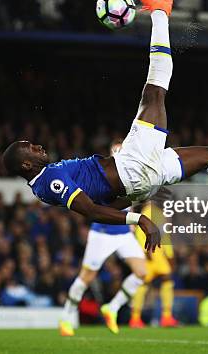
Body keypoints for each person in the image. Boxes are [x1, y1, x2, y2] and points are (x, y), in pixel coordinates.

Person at [1, 0, 208, 266]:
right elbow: (90, 211)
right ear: (26, 165)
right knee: (154, 92)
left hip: (137, 179)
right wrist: (140, 219)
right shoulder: (48, 181)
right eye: (31, 149)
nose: (38, 147)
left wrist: (134, 198)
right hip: (133, 167)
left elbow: (102, 204)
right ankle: (160, 11)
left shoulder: (46, 184)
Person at [59, 140, 147, 337]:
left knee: (142, 272)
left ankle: (112, 308)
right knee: (86, 278)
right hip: (103, 234)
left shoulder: (132, 174)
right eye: (116, 151)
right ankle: (66, 317)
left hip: (124, 234)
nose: (120, 154)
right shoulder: (104, 176)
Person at [130, 200, 178, 328]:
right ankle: (135, 318)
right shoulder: (149, 212)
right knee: (144, 283)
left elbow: (165, 236)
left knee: (165, 281)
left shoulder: (159, 213)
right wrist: (145, 252)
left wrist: (170, 255)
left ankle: (166, 317)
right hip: (152, 254)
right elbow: (141, 232)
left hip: (158, 254)